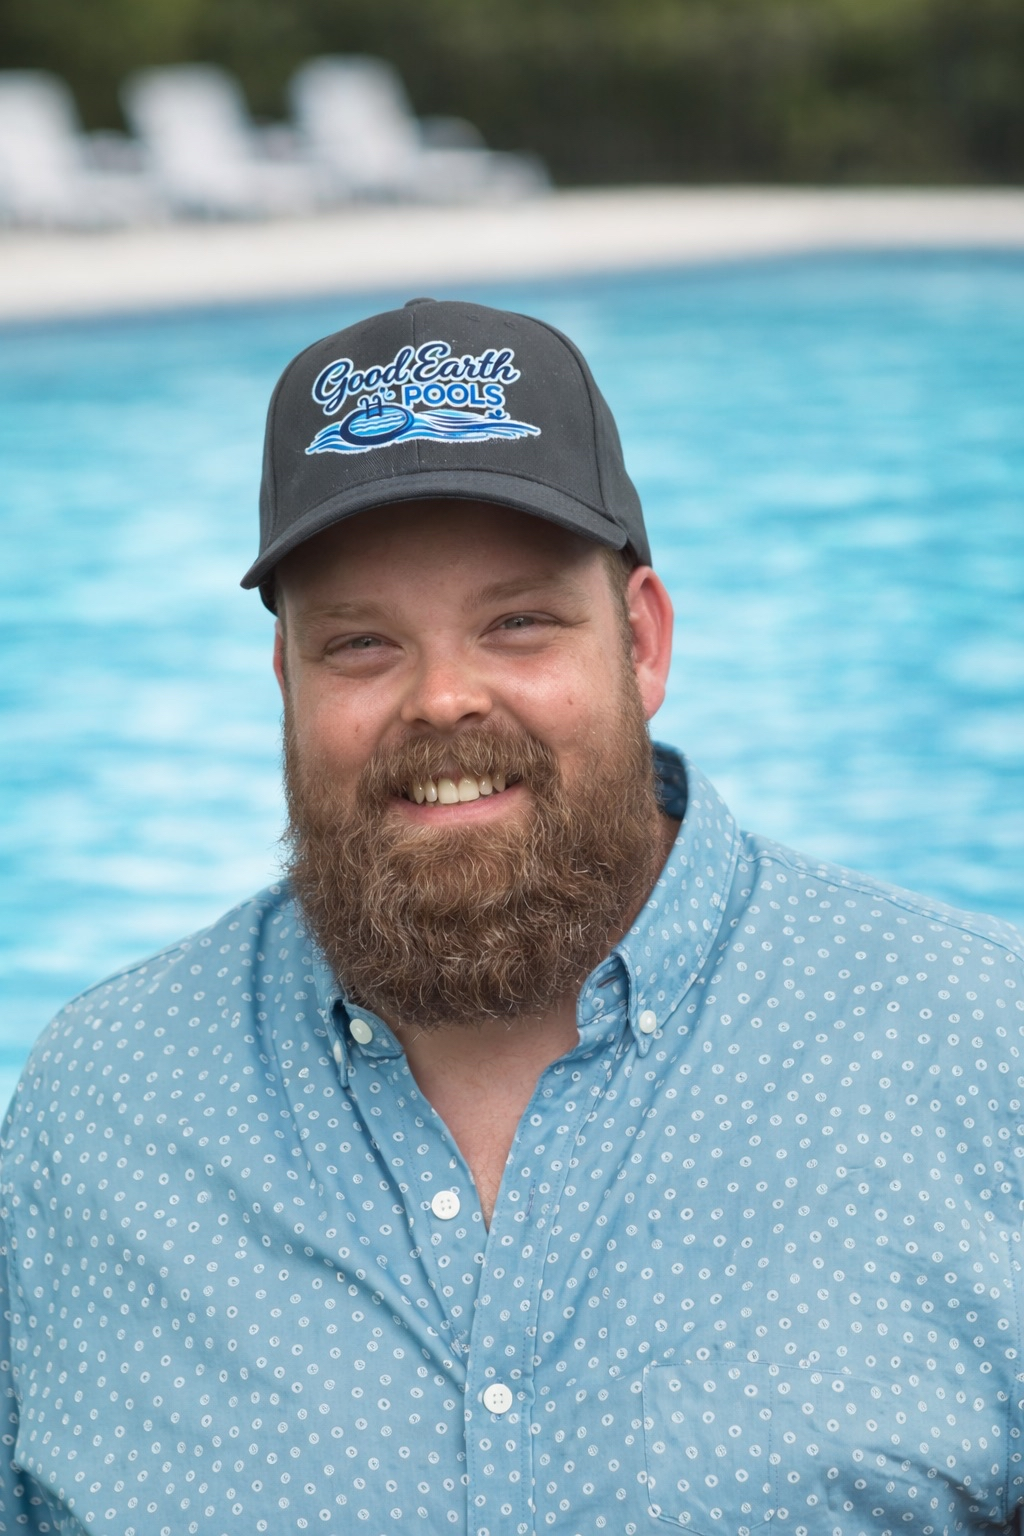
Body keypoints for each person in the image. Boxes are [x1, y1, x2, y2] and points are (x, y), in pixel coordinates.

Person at [2, 297, 1022, 1536]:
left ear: (640, 642)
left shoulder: (980, 1051)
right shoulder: (97, 1111)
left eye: (519, 623)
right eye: (363, 644)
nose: (442, 699)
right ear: (286, 685)